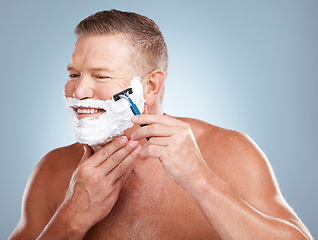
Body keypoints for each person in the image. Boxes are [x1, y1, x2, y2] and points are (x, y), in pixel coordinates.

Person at [9, 9, 312, 240]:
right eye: (74, 75)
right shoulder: (54, 170)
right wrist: (71, 218)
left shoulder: (228, 153)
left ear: (150, 87)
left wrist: (201, 181)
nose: (79, 91)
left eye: (100, 76)